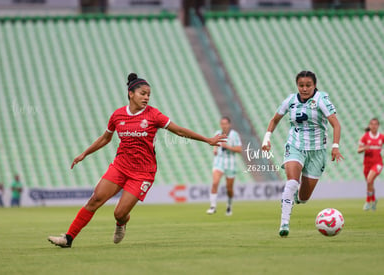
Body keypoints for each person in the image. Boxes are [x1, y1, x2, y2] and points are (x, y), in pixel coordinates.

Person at [48, 73, 226, 248]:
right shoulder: (117, 116)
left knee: (119, 213)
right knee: (95, 199)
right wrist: (84, 154)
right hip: (120, 166)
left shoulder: (153, 115)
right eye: (143, 93)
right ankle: (68, 238)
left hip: (143, 172)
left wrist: (208, 139)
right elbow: (105, 138)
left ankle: (121, 223)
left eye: (149, 94)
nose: (147, 97)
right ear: (131, 93)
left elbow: (178, 130)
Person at [261, 70, 343, 237]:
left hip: (317, 151)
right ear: (297, 85)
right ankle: (284, 223)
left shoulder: (321, 100)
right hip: (295, 145)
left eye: (308, 85)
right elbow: (275, 119)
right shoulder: (290, 101)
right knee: (292, 182)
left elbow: (336, 124)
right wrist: (266, 138)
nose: (304, 89)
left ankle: (292, 199)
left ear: (314, 85)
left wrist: (335, 146)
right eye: (301, 85)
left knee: (304, 198)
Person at [206, 116, 242, 216]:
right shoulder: (217, 133)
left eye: (226, 124)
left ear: (229, 124)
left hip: (230, 163)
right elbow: (215, 144)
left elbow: (239, 149)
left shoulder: (234, 135)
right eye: (222, 124)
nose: (224, 126)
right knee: (215, 182)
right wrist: (215, 149)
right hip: (219, 161)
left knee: (229, 188)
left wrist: (228, 147)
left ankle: (229, 205)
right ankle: (213, 206)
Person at [357, 118, 384, 211]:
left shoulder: (381, 137)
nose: (374, 126)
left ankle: (368, 201)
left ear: (378, 126)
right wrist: (365, 148)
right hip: (367, 164)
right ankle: (373, 199)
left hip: (378, 163)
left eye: (376, 124)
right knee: (370, 183)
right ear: (369, 125)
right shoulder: (365, 137)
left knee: (369, 180)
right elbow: (359, 150)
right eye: (372, 124)